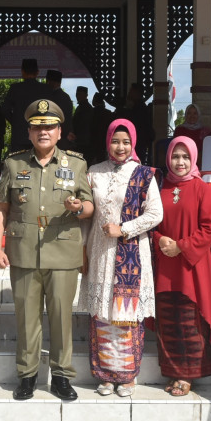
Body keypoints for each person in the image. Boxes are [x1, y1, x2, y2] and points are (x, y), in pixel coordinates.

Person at [0, 99, 93, 401]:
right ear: (29, 131)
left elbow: (89, 205)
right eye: (37, 127)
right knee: (26, 317)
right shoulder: (14, 163)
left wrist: (79, 208)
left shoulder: (76, 164)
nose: (43, 131)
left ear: (60, 131)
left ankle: (61, 375)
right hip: (23, 251)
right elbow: (1, 208)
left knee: (61, 317)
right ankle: (28, 375)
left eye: (49, 126)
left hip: (62, 252)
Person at [84, 119, 163, 397]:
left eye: (126, 142)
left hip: (129, 254)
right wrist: (83, 249)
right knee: (102, 313)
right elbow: (88, 216)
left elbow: (155, 214)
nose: (120, 147)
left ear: (134, 143)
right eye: (115, 141)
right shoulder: (93, 172)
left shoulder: (144, 174)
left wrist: (124, 229)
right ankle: (105, 375)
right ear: (108, 142)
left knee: (126, 313)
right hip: (98, 252)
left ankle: (127, 375)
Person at [152, 136, 211, 396]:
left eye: (185, 157)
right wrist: (160, 240)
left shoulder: (203, 189)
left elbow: (209, 228)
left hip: (192, 268)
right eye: (175, 156)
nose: (180, 162)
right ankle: (172, 371)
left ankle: (187, 375)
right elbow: (151, 224)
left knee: (191, 322)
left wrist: (181, 246)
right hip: (166, 265)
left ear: (193, 159)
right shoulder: (160, 188)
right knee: (169, 319)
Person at [2, 58, 50, 154]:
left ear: (22, 72)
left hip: (19, 135)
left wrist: (16, 122)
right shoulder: (45, 89)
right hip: (40, 134)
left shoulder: (15, 88)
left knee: (18, 165)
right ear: (37, 72)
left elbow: (5, 110)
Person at [44, 70, 75, 148]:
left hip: (54, 139)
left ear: (50, 82)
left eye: (47, 81)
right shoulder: (66, 97)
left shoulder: (50, 97)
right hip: (64, 138)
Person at [87, 92, 114, 165]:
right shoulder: (108, 113)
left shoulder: (90, 112)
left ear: (95, 100)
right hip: (103, 143)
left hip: (91, 142)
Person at [71, 85, 93, 153]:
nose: (78, 96)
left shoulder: (87, 108)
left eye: (80, 94)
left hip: (84, 141)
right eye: (77, 94)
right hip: (80, 140)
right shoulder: (80, 107)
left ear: (86, 95)